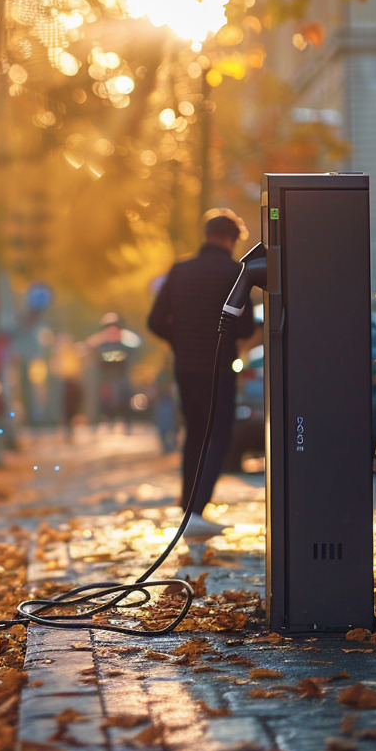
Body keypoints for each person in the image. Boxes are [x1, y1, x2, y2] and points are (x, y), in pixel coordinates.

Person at [147, 211, 256, 536]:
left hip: (185, 367)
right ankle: (197, 509)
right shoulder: (234, 271)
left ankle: (187, 507)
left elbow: (154, 321)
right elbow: (247, 325)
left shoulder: (179, 271)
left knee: (194, 434)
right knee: (219, 435)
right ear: (231, 239)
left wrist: (180, 341)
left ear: (207, 234)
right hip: (218, 368)